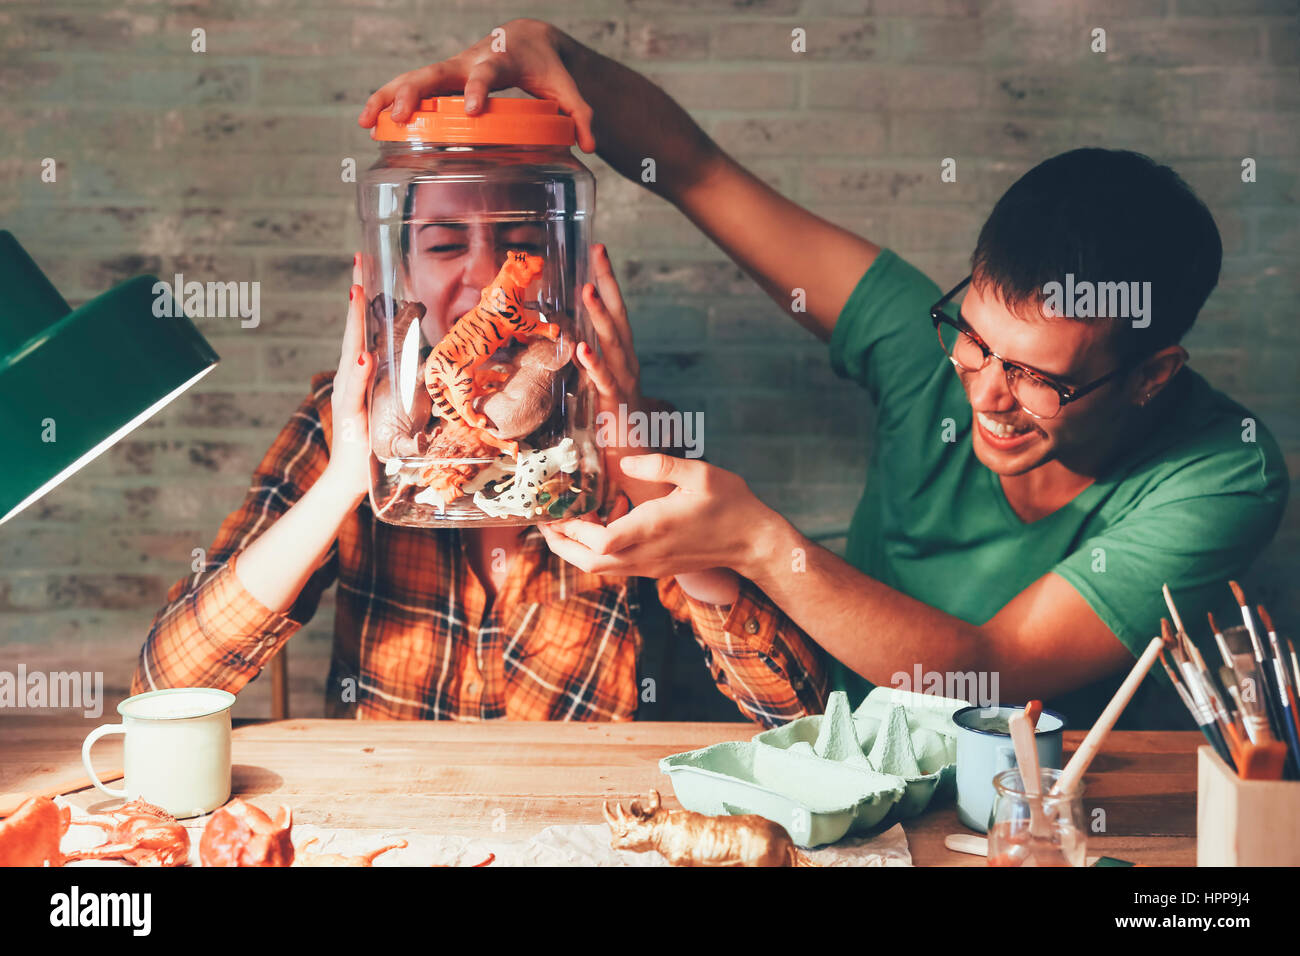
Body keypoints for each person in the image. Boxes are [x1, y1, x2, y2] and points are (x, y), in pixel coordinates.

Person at [364, 20, 1291, 728]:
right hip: (840, 767)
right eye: (973, 340)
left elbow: (991, 669)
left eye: (1041, 379)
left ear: (1151, 375)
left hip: (1045, 807)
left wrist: (763, 545)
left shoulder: (1222, 474)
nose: (984, 393)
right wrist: (550, 49)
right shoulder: (920, 346)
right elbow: (693, 168)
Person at [129, 173, 827, 723]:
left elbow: (798, 708)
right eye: (443, 245)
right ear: (400, 269)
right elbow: (166, 687)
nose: (489, 278)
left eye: (521, 244)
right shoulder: (336, 426)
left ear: (562, 269)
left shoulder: (625, 439)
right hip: (393, 816)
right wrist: (348, 477)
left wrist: (635, 457)